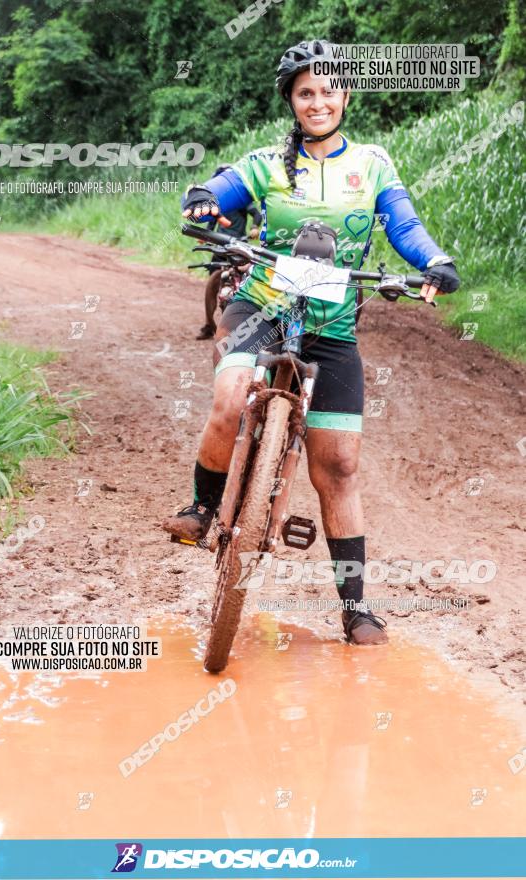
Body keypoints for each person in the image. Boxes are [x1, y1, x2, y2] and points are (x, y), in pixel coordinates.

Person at [164, 39, 460, 645]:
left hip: (332, 325)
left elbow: (402, 224)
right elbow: (219, 191)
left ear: (345, 96)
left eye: (329, 90)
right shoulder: (265, 162)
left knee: (340, 465)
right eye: (306, 92)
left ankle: (356, 608)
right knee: (231, 394)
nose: (318, 101)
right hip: (262, 306)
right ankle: (201, 506)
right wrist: (202, 199)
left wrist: (433, 260)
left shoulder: (373, 163)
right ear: (292, 102)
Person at [196, 164, 261, 340]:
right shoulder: (216, 203)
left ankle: (250, 324)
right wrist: (204, 236)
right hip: (219, 244)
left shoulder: (241, 199)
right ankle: (209, 323)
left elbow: (257, 214)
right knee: (212, 282)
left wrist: (255, 227)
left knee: (249, 280)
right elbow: (211, 222)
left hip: (238, 244)